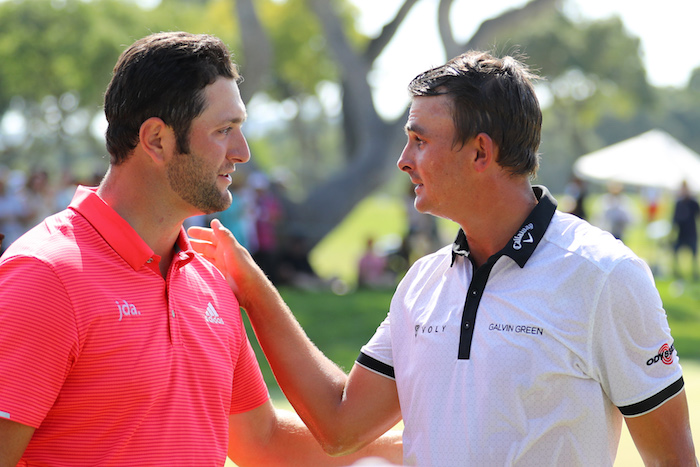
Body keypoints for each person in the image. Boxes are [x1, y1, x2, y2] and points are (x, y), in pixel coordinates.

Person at [190, 50, 696, 466]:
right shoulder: (422, 282)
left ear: (480, 153)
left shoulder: (605, 274)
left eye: (419, 140)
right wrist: (251, 287)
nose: (403, 160)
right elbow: (339, 425)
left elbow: (672, 460)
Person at [0, 32, 401, 466]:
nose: (242, 152)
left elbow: (262, 442)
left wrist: (432, 445)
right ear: (156, 139)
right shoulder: (43, 275)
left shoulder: (209, 279)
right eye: (223, 130)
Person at [671, 180, 700, 280]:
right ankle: (676, 271)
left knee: (694, 254)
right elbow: (674, 218)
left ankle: (694, 273)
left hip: (691, 232)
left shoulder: (693, 203)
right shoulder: (679, 203)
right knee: (675, 252)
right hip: (681, 233)